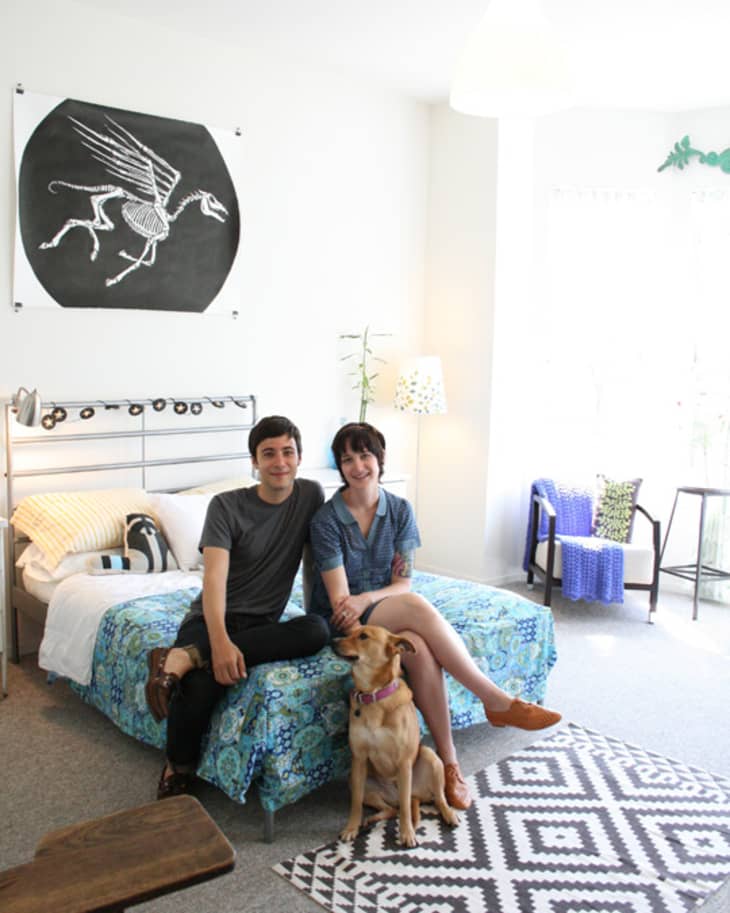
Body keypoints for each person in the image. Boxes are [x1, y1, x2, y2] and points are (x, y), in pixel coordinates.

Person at [309, 422, 561, 810]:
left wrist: (368, 598)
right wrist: (361, 603)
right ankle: (493, 699)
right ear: (339, 468)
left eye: (365, 456)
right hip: (343, 622)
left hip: (378, 607)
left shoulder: (400, 511)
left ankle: (450, 764)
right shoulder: (327, 521)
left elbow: (402, 583)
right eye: (347, 459)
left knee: (422, 649)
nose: (358, 466)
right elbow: (342, 604)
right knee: (415, 610)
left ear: (381, 459)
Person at [145, 415, 330, 799]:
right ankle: (177, 767)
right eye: (268, 454)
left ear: (299, 457)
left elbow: (320, 557)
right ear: (254, 462)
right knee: (200, 686)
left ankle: (183, 657)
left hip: (262, 624)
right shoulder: (226, 506)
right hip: (213, 616)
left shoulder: (311, 494)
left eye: (287, 452)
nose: (279, 462)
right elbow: (213, 581)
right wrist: (220, 642)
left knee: (316, 629)